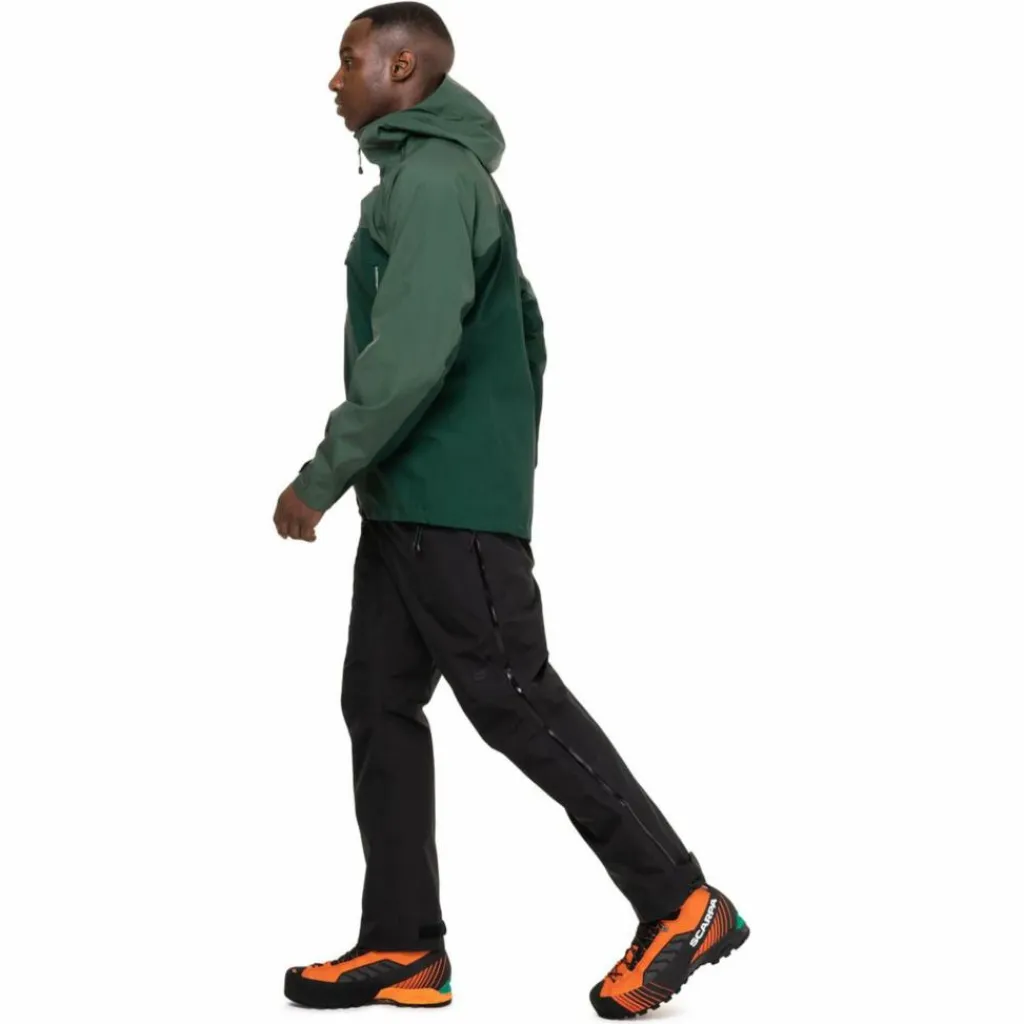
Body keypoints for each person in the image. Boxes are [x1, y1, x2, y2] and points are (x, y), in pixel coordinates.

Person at [273, 3, 749, 1017]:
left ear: (405, 67)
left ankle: (681, 901)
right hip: (411, 502)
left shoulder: (436, 182)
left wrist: (324, 474)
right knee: (378, 702)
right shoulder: (421, 178)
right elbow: (525, 334)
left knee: (514, 700)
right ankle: (403, 943)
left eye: (349, 60)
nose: (333, 79)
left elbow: (412, 356)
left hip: (445, 503)